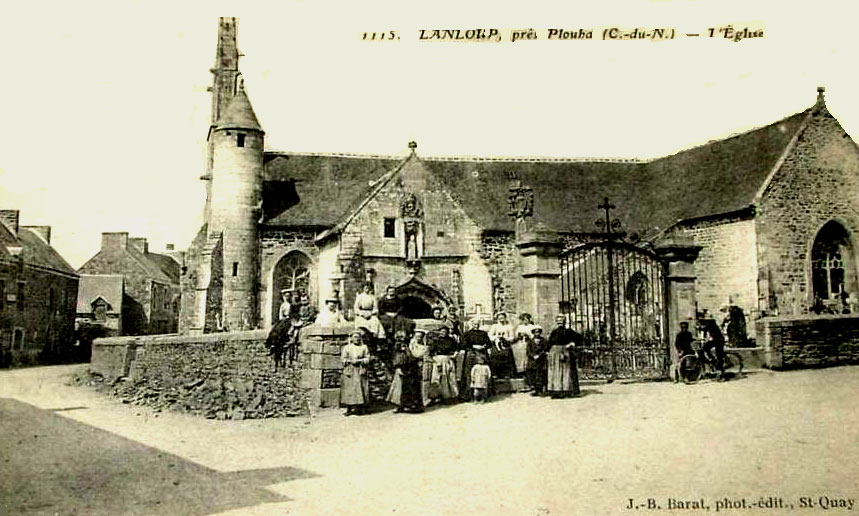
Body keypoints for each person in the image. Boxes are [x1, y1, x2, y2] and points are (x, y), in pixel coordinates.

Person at [387, 329, 424, 413]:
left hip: (411, 367)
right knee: (400, 387)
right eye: (400, 337)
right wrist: (397, 367)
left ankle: (414, 405)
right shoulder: (398, 346)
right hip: (402, 367)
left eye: (403, 337)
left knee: (412, 387)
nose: (402, 338)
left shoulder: (410, 344)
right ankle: (401, 405)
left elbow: (413, 355)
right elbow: (396, 357)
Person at [546, 314, 581, 398]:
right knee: (555, 373)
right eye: (558, 321)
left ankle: (565, 391)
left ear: (564, 322)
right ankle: (556, 391)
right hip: (554, 354)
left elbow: (579, 338)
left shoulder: (569, 331)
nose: (560, 323)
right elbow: (549, 343)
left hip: (565, 353)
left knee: (565, 372)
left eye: (561, 321)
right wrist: (548, 352)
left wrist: (572, 343)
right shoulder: (554, 332)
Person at [459, 318, 492, 401]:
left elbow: (489, 343)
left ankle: (484, 394)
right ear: (471, 324)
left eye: (477, 324)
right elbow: (463, 344)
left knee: (483, 373)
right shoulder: (467, 333)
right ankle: (470, 395)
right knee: (470, 373)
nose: (476, 325)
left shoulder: (483, 333)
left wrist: (483, 346)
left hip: (482, 354)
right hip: (471, 354)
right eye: (474, 324)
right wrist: (473, 346)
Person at [340, 329, 371, 415]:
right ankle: (349, 408)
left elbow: (368, 358)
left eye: (358, 337)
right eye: (355, 337)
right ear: (352, 338)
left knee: (361, 388)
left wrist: (360, 361)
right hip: (350, 370)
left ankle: (360, 408)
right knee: (350, 389)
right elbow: (343, 359)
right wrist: (349, 361)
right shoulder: (347, 347)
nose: (357, 339)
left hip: (360, 370)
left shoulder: (364, 347)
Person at [429, 326, 459, 403]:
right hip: (438, 360)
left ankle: (448, 396)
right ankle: (435, 397)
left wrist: (454, 356)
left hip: (447, 359)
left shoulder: (451, 340)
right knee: (436, 378)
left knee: (449, 379)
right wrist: (435, 360)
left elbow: (456, 349)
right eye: (442, 331)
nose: (443, 333)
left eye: (445, 332)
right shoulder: (435, 340)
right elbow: (431, 352)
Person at [487, 312, 515, 379]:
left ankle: (506, 374)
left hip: (505, 345)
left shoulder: (509, 327)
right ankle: (495, 374)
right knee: (495, 357)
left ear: (505, 318)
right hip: (496, 344)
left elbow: (512, 337)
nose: (501, 319)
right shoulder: (494, 326)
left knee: (506, 357)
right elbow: (490, 335)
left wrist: (505, 339)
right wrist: (496, 337)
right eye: (499, 318)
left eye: (502, 318)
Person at [513, 313, 538, 378]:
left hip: (529, 343)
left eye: (526, 319)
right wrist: (520, 335)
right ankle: (520, 371)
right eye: (523, 319)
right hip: (521, 343)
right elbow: (515, 336)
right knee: (520, 356)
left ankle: (527, 371)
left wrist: (528, 336)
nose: (525, 321)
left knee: (527, 356)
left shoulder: (532, 327)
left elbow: (534, 335)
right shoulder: (520, 327)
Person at [526, 326, 548, 395]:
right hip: (533, 361)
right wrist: (533, 356)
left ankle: (541, 390)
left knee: (541, 375)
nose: (537, 333)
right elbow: (528, 351)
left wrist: (540, 355)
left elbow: (545, 349)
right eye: (535, 332)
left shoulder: (544, 340)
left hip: (541, 361)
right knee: (533, 375)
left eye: (538, 332)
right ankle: (536, 390)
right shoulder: (530, 341)